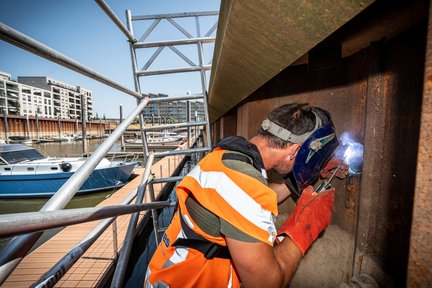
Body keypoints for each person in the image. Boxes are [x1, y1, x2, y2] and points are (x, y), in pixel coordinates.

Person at [144, 103, 347, 288]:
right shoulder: (241, 186)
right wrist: (305, 224)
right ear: (294, 151)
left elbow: (256, 199)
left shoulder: (228, 157)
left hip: (167, 273)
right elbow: (267, 283)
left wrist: (309, 174)